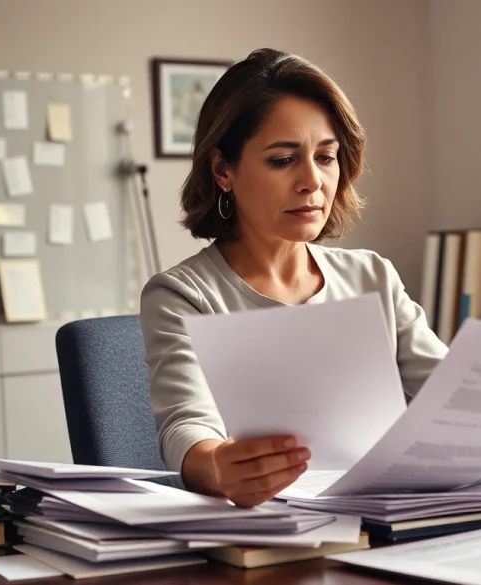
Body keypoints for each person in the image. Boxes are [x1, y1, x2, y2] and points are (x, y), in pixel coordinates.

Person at [139, 48, 448, 508]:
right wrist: (219, 466)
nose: (312, 182)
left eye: (326, 157)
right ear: (224, 170)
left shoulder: (372, 276)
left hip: (388, 513)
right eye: (283, 160)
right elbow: (187, 428)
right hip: (269, 529)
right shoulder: (183, 294)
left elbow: (450, 394)